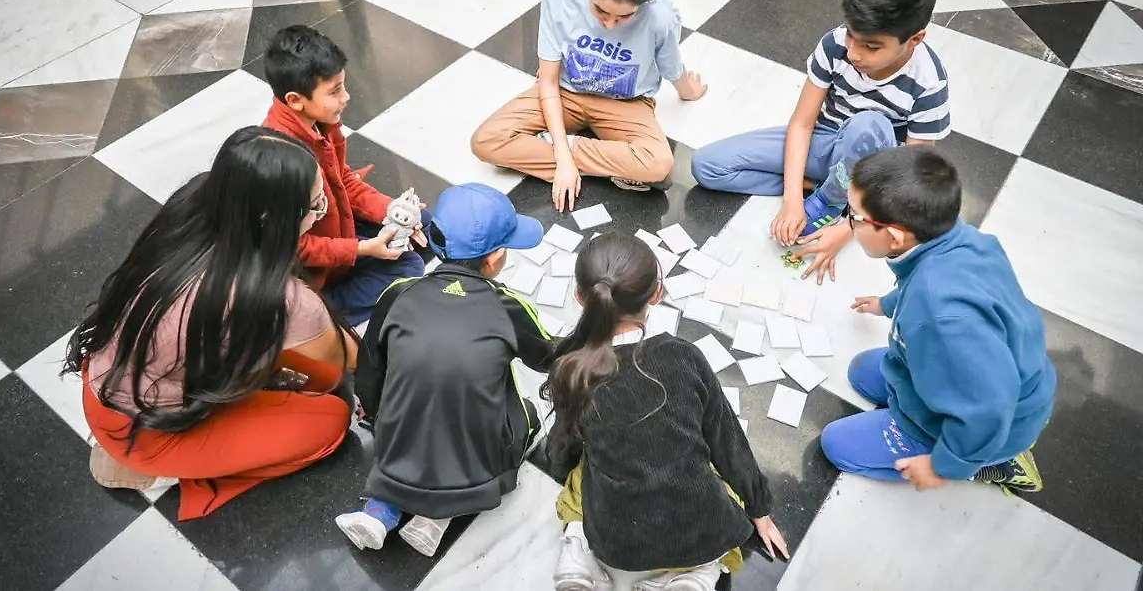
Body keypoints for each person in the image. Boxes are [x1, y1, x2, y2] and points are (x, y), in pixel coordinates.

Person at [65, 127, 359, 521]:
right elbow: (345, 358)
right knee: (332, 422)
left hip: (111, 381)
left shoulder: (195, 203)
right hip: (145, 429)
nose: (321, 212)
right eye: (314, 207)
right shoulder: (279, 297)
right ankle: (154, 472)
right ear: (269, 217)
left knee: (317, 381)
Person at [542, 233, 787, 591]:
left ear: (581, 298)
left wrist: (565, 474)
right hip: (703, 535)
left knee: (582, 474)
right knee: (716, 479)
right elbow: (727, 441)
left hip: (615, 546)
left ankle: (578, 553)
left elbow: (562, 449)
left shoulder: (571, 371)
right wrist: (759, 509)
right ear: (656, 295)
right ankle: (697, 576)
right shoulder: (684, 356)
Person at [691, 0, 950, 284]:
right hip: (825, 140)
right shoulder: (834, 44)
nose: (854, 53)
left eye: (871, 46)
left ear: (915, 38)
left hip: (876, 172)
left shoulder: (929, 83)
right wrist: (792, 201)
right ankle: (829, 186)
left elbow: (909, 178)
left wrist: (847, 229)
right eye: (851, 37)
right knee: (708, 166)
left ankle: (834, 200)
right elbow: (802, 123)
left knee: (867, 126)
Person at [335, 183, 554, 557]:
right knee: (529, 415)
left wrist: (370, 410)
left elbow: (370, 371)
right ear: (497, 257)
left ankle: (379, 511)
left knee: (409, 416)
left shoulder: (398, 293)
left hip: (395, 451)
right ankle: (437, 518)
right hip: (474, 473)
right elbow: (550, 357)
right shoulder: (509, 306)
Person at [820, 146, 1056, 494]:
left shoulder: (942, 320)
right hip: (1000, 377)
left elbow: (988, 407)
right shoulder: (954, 238)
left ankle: (994, 463)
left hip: (994, 420)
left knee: (836, 446)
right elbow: (921, 283)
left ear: (894, 236)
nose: (849, 222)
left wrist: (944, 466)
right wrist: (887, 304)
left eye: (854, 216)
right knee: (862, 371)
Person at [471, 0, 708, 211]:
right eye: (600, 10)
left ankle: (565, 152)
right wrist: (566, 159)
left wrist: (688, 91)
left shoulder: (661, 15)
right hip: (564, 92)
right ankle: (606, 166)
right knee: (485, 141)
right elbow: (547, 80)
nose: (609, 23)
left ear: (643, 4)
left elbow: (672, 68)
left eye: (624, 17)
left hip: (627, 103)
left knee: (658, 163)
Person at [261, 24, 428, 325]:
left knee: (420, 223)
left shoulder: (320, 122)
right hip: (314, 269)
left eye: (343, 85)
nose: (347, 97)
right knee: (410, 268)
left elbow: (344, 182)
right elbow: (297, 248)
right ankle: (318, 313)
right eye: (335, 90)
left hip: (338, 224)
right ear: (295, 99)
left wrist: (391, 210)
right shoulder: (283, 162)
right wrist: (362, 249)